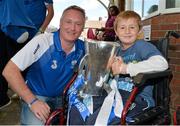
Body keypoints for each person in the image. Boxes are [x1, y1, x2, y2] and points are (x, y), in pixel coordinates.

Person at [67, 10, 168, 125]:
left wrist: (125, 68)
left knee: (95, 121)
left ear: (139, 30)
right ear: (116, 31)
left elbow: (162, 63)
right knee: (78, 108)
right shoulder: (115, 49)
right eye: (122, 28)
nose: (127, 31)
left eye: (132, 27)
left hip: (137, 98)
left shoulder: (141, 46)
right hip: (112, 94)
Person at [2, 5, 86, 125]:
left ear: (83, 27)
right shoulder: (42, 41)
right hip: (37, 95)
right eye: (68, 22)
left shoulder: (83, 47)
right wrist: (33, 102)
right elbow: (9, 71)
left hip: (64, 98)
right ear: (60, 23)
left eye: (78, 24)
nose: (73, 28)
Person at [0, 0, 54, 109]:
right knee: (8, 62)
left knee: (29, 65)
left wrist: (41, 30)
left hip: (33, 33)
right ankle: (8, 94)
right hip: (16, 31)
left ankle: (24, 90)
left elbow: (51, 12)